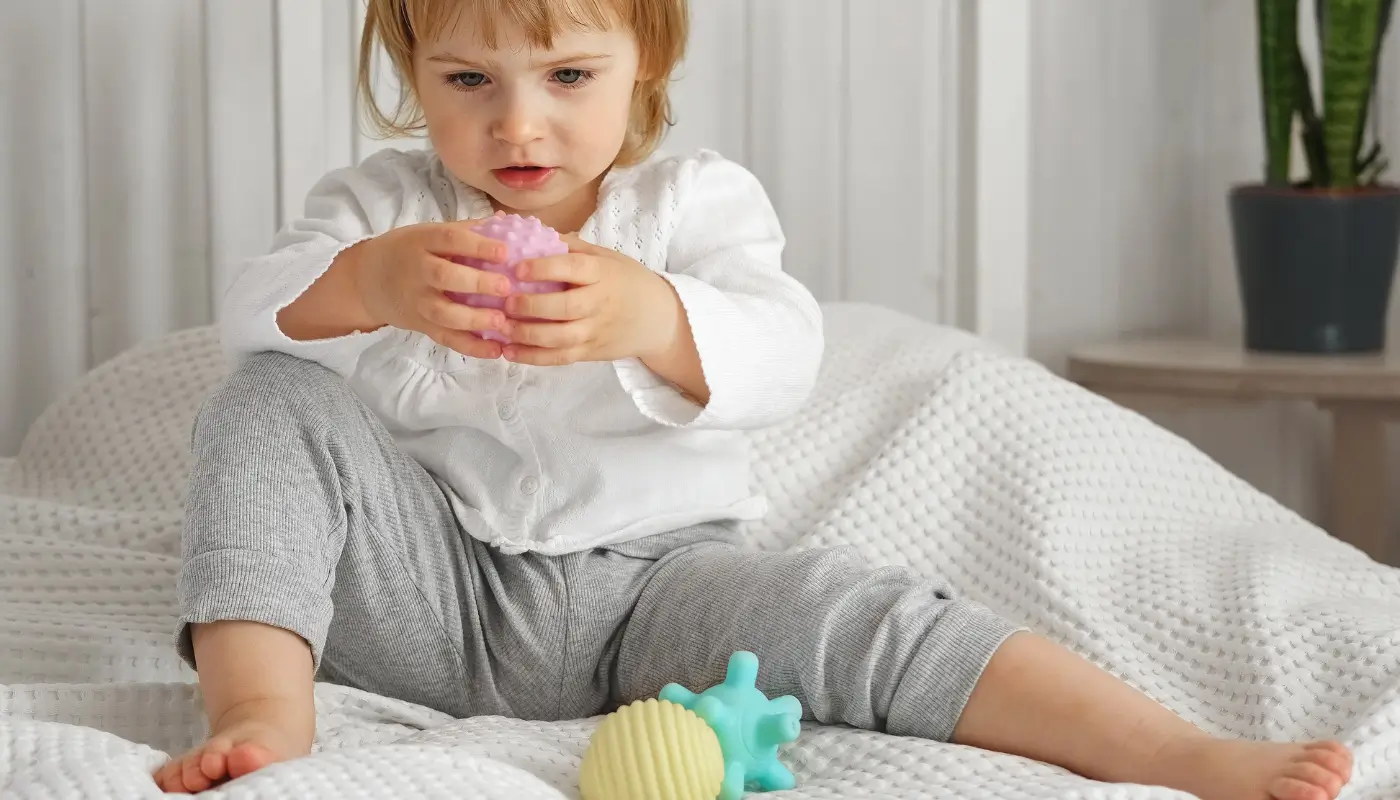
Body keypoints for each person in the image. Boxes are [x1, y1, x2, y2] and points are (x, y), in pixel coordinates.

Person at [153, 1, 1354, 798]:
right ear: (411, 72)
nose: (517, 121)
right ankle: (265, 713)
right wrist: (364, 282)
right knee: (267, 395)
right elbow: (253, 312)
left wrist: (654, 316)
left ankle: (1180, 751)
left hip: (657, 593)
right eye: (467, 77)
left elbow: (783, 351)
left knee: (853, 611)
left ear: (645, 65)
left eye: (569, 74)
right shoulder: (379, 203)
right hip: (432, 594)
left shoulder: (693, 204)